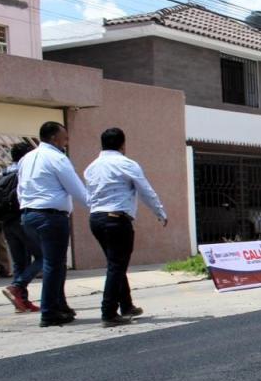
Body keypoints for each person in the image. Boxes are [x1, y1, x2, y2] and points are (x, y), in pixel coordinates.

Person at [84, 128, 168, 328]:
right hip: (116, 219)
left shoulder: (91, 167)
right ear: (123, 144)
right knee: (116, 265)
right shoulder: (126, 164)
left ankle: (127, 305)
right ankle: (109, 312)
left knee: (115, 264)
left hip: (96, 218)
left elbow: (89, 195)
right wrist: (160, 212)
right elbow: (145, 190)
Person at [17, 121, 89, 327]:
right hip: (51, 217)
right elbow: (76, 189)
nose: (66, 142)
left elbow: (20, 189)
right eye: (64, 138)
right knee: (54, 264)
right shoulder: (57, 158)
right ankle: (49, 311)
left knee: (54, 263)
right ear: (54, 138)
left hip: (28, 216)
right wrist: (96, 207)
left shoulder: (27, 158)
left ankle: (60, 305)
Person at [0, 142, 42, 313]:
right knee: (42, 257)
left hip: (6, 221)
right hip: (21, 219)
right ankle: (16, 287)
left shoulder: (4, 172)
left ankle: (21, 302)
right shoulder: (25, 170)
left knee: (19, 262)